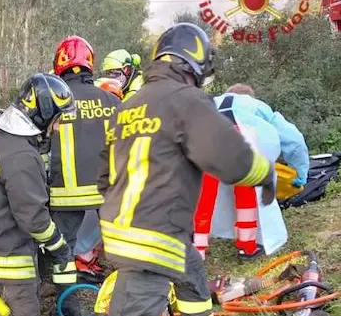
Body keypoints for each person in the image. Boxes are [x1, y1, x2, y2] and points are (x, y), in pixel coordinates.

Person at [96, 22, 277, 316]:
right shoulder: (186, 100)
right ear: (194, 65)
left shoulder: (126, 108)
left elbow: (103, 178)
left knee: (192, 274)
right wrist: (265, 172)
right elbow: (229, 156)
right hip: (153, 240)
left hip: (128, 231)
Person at [0, 73, 78, 316]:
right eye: (58, 120)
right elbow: (33, 217)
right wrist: (59, 246)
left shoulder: (1, 140)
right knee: (25, 308)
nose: (58, 127)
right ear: (42, 114)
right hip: (5, 256)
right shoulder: (22, 155)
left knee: (1, 307)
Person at [194, 83, 309, 260]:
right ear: (249, 96)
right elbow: (294, 140)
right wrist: (301, 172)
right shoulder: (256, 105)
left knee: (205, 197)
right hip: (241, 146)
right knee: (245, 194)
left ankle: (198, 249)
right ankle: (246, 247)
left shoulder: (211, 103)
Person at [49, 35, 121, 284]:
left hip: (64, 195)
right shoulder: (113, 101)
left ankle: (66, 306)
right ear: (90, 63)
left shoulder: (55, 102)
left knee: (63, 252)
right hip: (107, 192)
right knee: (123, 247)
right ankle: (128, 295)